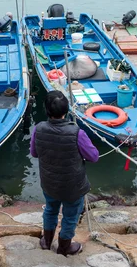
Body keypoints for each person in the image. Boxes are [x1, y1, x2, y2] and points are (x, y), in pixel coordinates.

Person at [30, 91, 99, 256]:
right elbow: (94, 156)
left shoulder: (38, 129)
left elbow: (34, 153)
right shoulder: (77, 133)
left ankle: (46, 241)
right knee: (70, 216)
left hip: (49, 183)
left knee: (50, 210)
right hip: (72, 187)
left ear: (46, 110)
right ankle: (64, 247)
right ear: (67, 110)